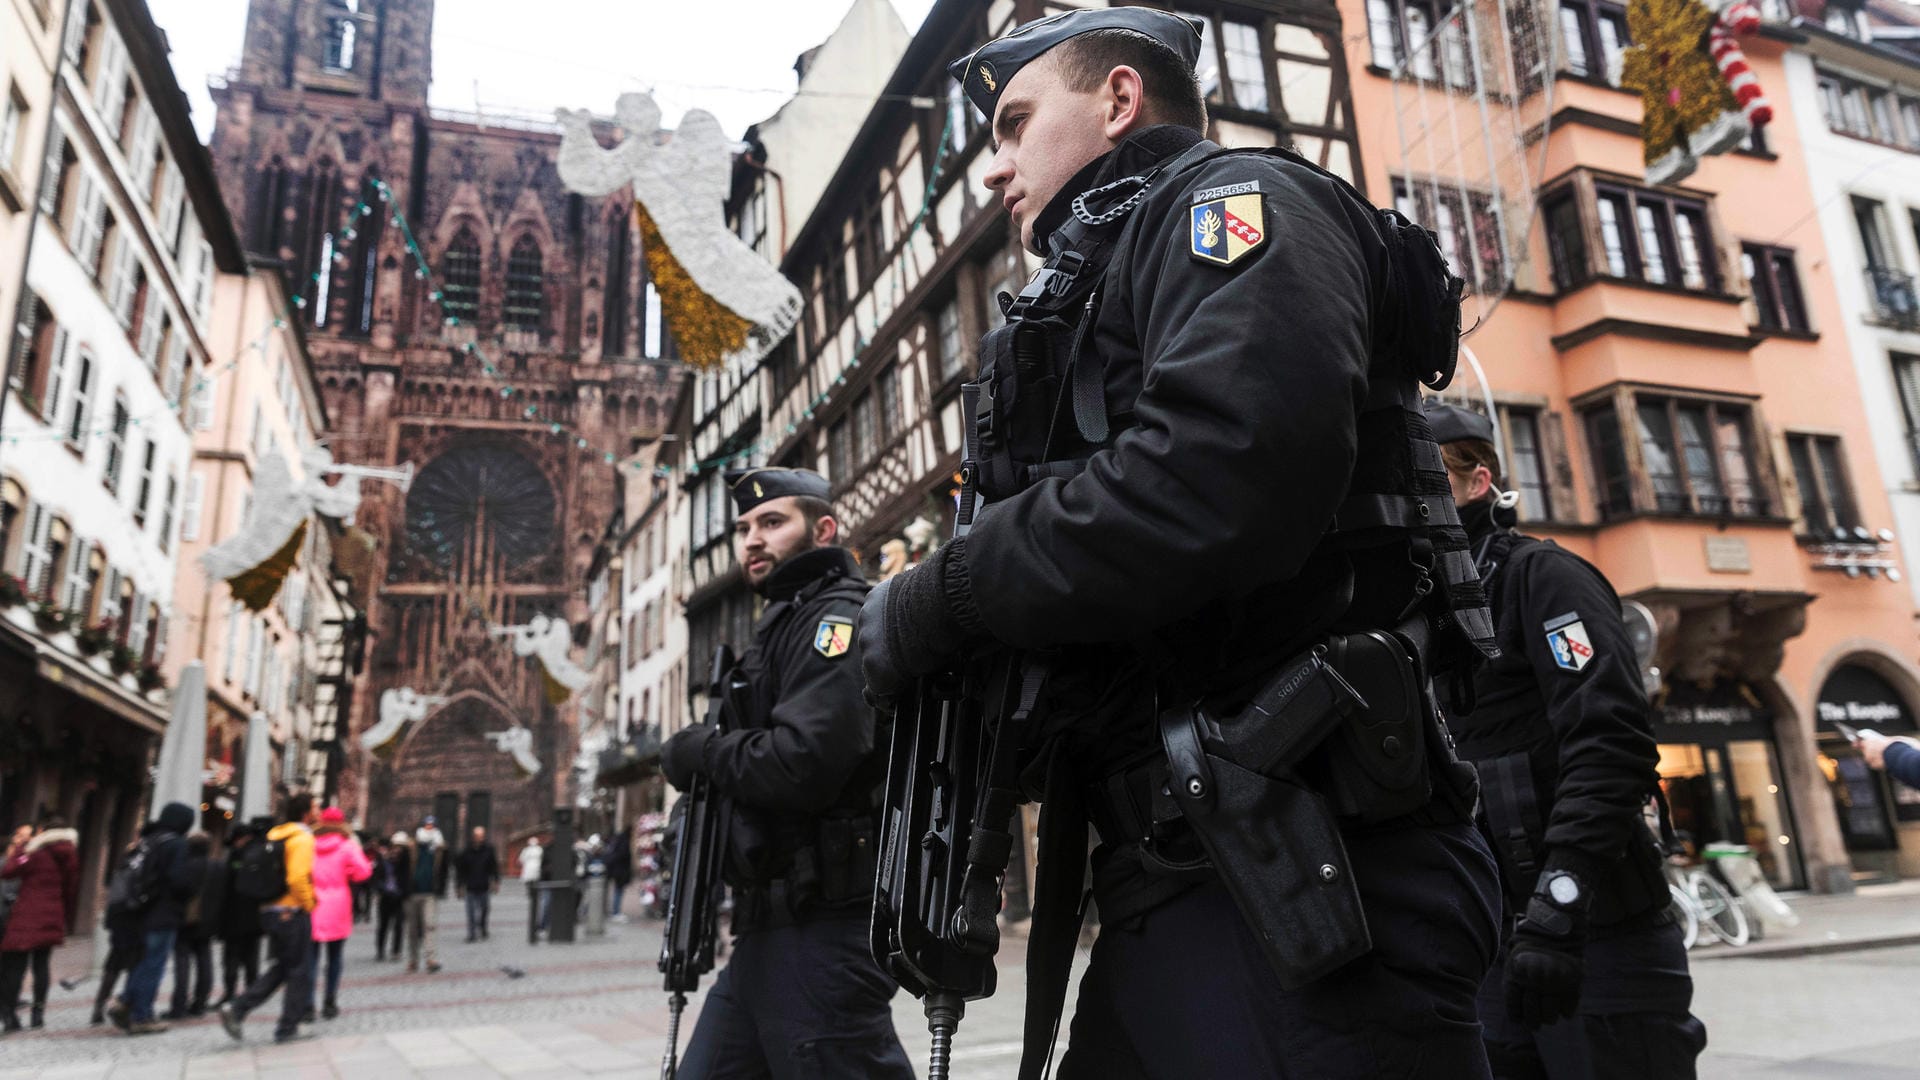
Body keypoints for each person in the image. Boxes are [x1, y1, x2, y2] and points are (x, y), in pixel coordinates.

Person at [859, 10, 1504, 1075]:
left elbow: (1220, 473)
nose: (994, 169)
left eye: (1015, 125)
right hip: (1184, 880)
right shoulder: (1096, 287)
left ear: (1119, 100)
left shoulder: (1233, 203)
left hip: (1317, 871)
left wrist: (947, 595)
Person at [1427, 402, 1707, 1077]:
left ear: (1479, 481)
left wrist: (1562, 899)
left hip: (1599, 940)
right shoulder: (1418, 606)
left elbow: (1610, 739)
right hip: (1488, 954)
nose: (1412, 503)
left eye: (1428, 481)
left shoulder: (1543, 580)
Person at [661, 466, 913, 1078]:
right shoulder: (783, 623)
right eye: (744, 527)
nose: (751, 539)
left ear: (823, 529)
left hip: (823, 932)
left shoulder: (836, 620)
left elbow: (805, 761)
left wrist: (702, 752)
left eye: (773, 522)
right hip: (765, 931)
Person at [218, 793, 319, 1044]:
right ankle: (287, 1027)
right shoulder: (302, 838)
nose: (318, 810)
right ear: (306, 812)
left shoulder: (275, 834)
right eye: (315, 806)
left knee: (284, 967)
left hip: (268, 910)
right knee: (299, 970)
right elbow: (296, 877)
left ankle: (238, 1009)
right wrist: (309, 903)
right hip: (291, 911)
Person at [114, 801, 199, 1035]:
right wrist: (190, 889)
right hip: (164, 912)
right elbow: (178, 880)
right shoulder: (176, 844)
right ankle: (142, 1015)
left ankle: (125, 1000)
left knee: (144, 961)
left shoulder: (149, 840)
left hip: (142, 910)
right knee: (154, 964)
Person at [1, 816, 78, 1033]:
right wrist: (66, 920)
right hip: (52, 915)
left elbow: (8, 871)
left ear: (43, 831)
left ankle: (9, 1016)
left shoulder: (34, 852)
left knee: (15, 966)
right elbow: (71, 890)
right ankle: (38, 1015)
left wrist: (21, 849)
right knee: (41, 967)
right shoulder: (70, 854)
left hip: (26, 915)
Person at [307, 808, 371, 1020]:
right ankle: (330, 1001)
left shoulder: (309, 844)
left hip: (313, 904)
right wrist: (348, 873)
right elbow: (364, 871)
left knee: (311, 959)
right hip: (338, 906)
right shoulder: (347, 846)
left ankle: (308, 1004)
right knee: (334, 957)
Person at [165, 832, 220, 1019]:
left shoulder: (186, 866)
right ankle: (200, 1002)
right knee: (204, 960)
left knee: (182, 962)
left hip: (186, 920)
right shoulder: (216, 866)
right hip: (208, 921)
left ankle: (178, 1005)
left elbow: (177, 891)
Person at [92, 839, 147, 1026]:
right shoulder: (141, 866)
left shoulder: (122, 867)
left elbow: (114, 896)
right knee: (135, 966)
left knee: (113, 966)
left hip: (118, 919)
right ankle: (127, 1006)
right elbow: (139, 895)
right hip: (133, 919)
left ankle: (98, 1008)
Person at [214, 822, 263, 1005]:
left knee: (232, 957)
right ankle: (253, 991)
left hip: (233, 914)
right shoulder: (261, 853)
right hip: (254, 916)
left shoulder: (237, 855)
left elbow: (226, 886)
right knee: (251, 955)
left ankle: (230, 992)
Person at [403, 819, 448, 972]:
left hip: (430, 892)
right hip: (412, 893)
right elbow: (402, 868)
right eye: (426, 826)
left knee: (430, 926)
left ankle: (431, 959)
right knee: (413, 930)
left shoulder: (439, 848)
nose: (429, 829)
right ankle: (413, 960)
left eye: (432, 826)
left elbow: (444, 871)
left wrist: (441, 889)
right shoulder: (411, 847)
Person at [453, 826, 500, 942]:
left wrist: (496, 881)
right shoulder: (466, 851)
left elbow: (494, 866)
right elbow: (460, 870)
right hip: (470, 886)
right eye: (478, 836)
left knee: (485, 909)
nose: (480, 838)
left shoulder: (489, 850)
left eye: (482, 836)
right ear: (473, 837)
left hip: (484, 885)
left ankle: (483, 927)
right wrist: (459, 886)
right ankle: (472, 933)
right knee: (471, 912)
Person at [371, 834, 407, 961]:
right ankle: (380, 950)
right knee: (383, 926)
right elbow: (376, 878)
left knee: (398, 925)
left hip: (399, 898)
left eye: (400, 848)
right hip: (385, 897)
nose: (397, 851)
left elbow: (407, 879)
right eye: (395, 847)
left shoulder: (404, 863)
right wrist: (381, 889)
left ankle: (396, 951)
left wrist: (403, 892)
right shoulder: (382, 861)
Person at [518, 836, 546, 933]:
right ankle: (534, 891)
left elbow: (521, 860)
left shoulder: (527, 850)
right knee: (535, 880)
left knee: (529, 881)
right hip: (536, 868)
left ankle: (530, 892)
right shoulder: (539, 850)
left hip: (529, 868)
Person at [605, 827, 633, 920]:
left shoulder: (617, 843)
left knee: (617, 891)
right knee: (618, 891)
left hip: (617, 872)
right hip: (620, 872)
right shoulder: (623, 844)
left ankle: (615, 911)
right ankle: (616, 912)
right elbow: (623, 855)